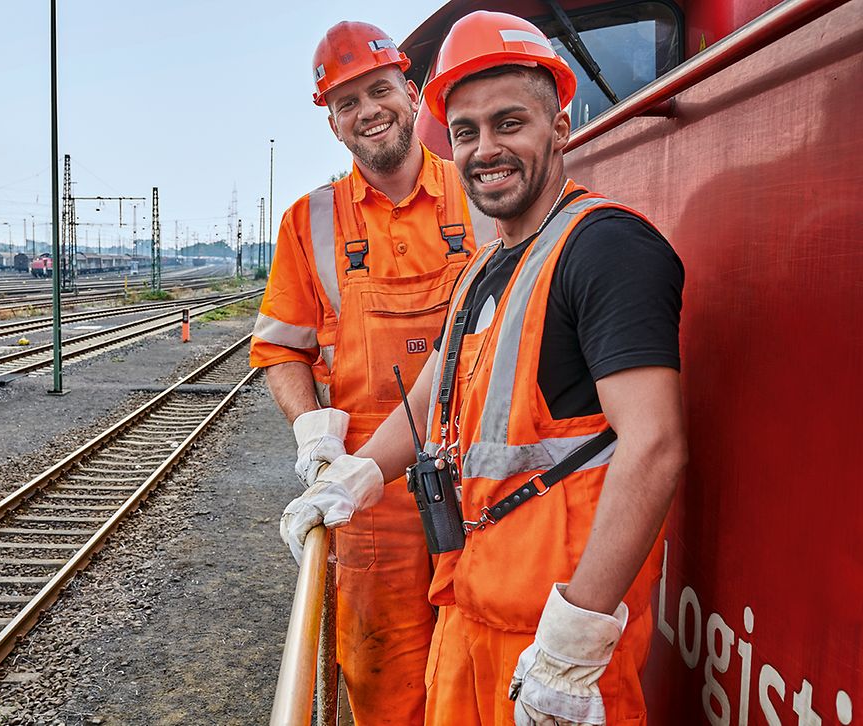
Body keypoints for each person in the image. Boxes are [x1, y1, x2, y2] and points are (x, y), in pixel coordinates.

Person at [281, 10, 688, 725]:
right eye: (466, 132)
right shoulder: (487, 267)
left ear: (559, 128)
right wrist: (358, 474)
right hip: (469, 606)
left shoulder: (607, 250)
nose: (484, 149)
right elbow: (440, 375)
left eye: (510, 124)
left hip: (550, 639)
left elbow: (655, 445)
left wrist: (576, 640)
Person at [251, 20, 491, 725]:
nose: (368, 111)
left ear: (413, 96)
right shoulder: (311, 221)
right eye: (347, 102)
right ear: (332, 124)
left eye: (380, 90)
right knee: (382, 679)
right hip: (368, 498)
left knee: (481, 675)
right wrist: (311, 433)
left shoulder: (481, 195)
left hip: (483, 486)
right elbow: (278, 348)